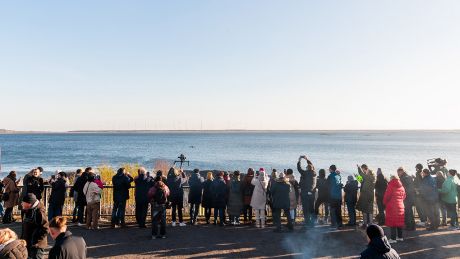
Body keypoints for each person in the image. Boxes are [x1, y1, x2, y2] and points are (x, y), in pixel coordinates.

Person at [20, 194, 49, 259]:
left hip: (36, 246)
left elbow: (46, 228)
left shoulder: (40, 211)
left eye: (23, 202)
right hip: (28, 243)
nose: (22, 204)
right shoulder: (28, 209)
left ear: (29, 204)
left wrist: (35, 240)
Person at [383, 175, 406, 244]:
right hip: (400, 205)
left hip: (392, 206)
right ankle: (400, 237)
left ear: (392, 179)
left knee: (392, 222)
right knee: (399, 222)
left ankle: (393, 238)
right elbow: (404, 196)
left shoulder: (390, 185)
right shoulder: (402, 186)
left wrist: (384, 202)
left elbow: (387, 196)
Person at [297, 156, 317, 227]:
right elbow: (312, 166)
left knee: (306, 208)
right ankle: (313, 222)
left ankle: (307, 222)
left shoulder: (305, 173)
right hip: (312, 193)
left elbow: (299, 169)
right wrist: (307, 159)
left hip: (305, 193)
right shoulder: (314, 173)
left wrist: (299, 160)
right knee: (311, 208)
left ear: (307, 168)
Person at [356, 164, 376, 228]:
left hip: (365, 195)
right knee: (369, 210)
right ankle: (370, 223)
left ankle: (366, 223)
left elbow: (361, 175)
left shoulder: (368, 177)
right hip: (370, 195)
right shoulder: (372, 178)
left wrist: (358, 168)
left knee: (364, 209)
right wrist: (358, 177)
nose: (365, 172)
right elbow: (362, 181)